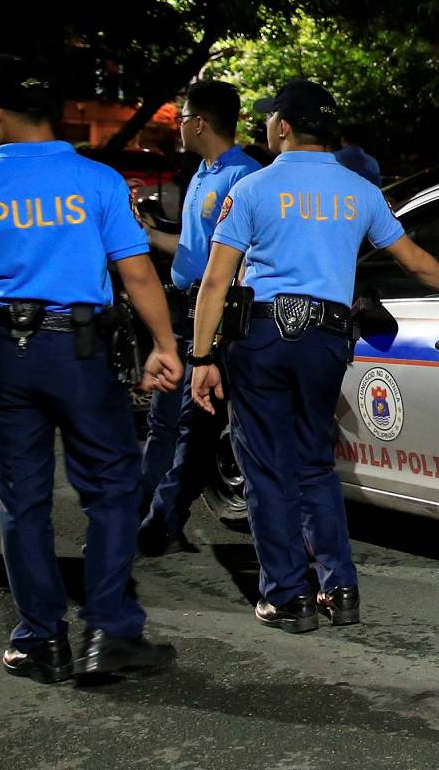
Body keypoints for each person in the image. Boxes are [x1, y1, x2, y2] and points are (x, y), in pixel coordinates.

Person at [187, 80, 439, 632]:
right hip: (327, 339)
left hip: (263, 336)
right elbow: (415, 260)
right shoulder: (360, 193)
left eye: (270, 119)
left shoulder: (253, 189)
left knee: (265, 468)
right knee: (314, 464)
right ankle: (339, 588)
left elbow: (215, 280)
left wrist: (200, 357)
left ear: (282, 127)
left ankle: (287, 596)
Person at [0, 54, 182, 683]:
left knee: (23, 500)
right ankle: (110, 631)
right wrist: (165, 346)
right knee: (113, 491)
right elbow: (137, 270)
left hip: (7, 357)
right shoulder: (97, 180)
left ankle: (42, 638)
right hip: (83, 353)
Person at [137, 80, 262, 556]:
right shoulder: (202, 174)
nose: (178, 125)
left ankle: (159, 523)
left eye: (182, 115)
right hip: (183, 306)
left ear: (200, 123)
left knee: (192, 423)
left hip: (217, 315)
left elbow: (238, 260)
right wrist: (146, 233)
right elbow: (192, 253)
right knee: (164, 422)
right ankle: (146, 516)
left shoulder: (244, 177)